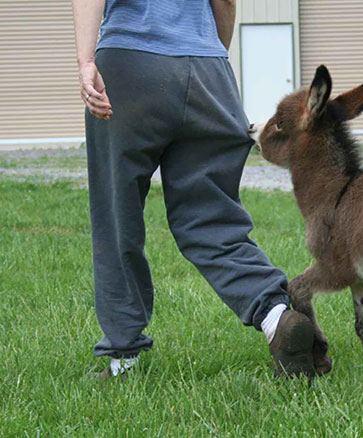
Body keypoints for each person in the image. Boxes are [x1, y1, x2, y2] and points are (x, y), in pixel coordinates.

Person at [70, 0, 315, 379]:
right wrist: (211, 56)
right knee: (211, 218)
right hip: (207, 67)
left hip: (129, 64)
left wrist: (87, 62)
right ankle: (275, 316)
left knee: (116, 215)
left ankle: (122, 359)